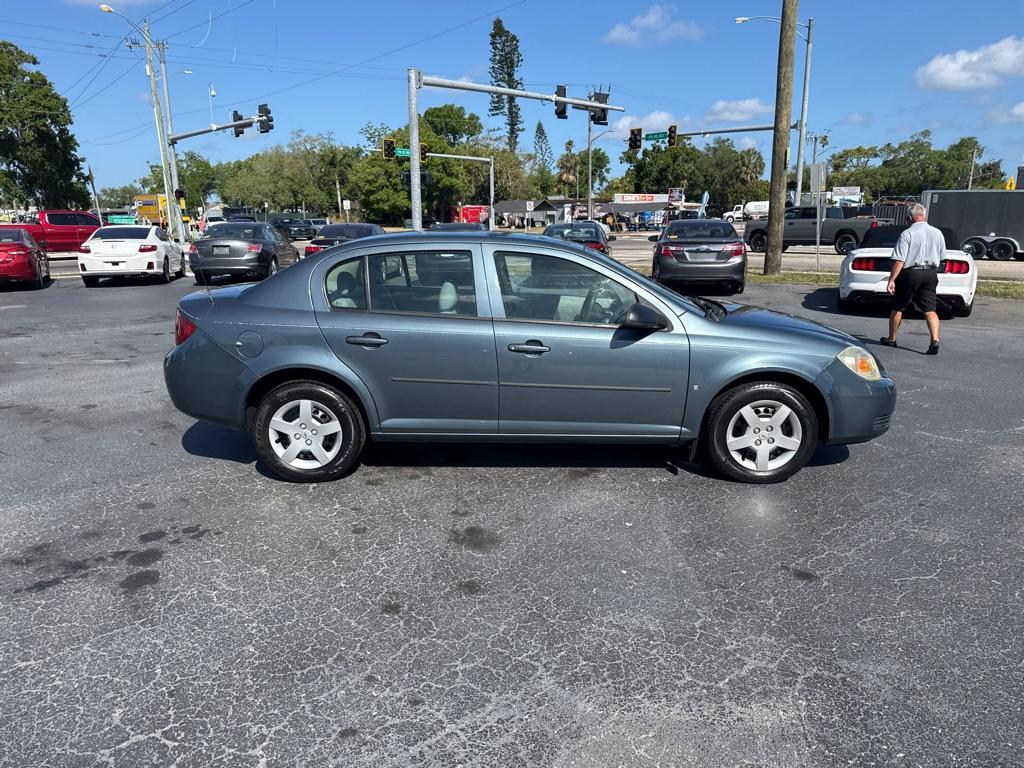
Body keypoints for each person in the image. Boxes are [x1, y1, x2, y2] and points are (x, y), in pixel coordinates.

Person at [880, 203, 943, 354]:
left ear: (909, 218)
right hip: (930, 273)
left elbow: (899, 260)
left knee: (898, 307)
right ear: (925, 216)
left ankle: (892, 339)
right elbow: (942, 257)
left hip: (911, 273)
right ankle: (935, 340)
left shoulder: (907, 234)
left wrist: (892, 280)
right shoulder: (937, 233)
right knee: (930, 310)